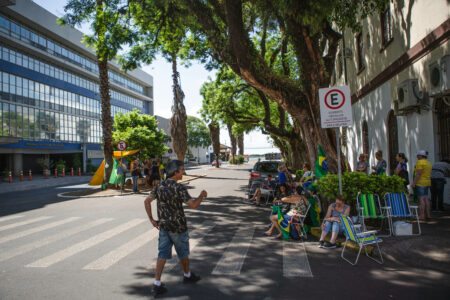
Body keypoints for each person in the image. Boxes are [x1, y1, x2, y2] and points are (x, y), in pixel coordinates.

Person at [144, 160, 208, 296]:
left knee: (162, 254)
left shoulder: (159, 186)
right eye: (181, 170)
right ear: (175, 172)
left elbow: (147, 201)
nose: (183, 173)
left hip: (164, 227)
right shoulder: (179, 188)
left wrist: (151, 220)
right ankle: (187, 275)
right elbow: (193, 205)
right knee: (183, 253)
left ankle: (157, 283)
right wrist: (202, 195)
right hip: (178, 228)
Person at [411, 150, 432, 220]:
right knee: (426, 198)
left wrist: (414, 183)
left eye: (417, 155)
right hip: (427, 182)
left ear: (420, 156)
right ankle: (428, 215)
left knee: (421, 199)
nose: (417, 157)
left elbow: (418, 174)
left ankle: (422, 215)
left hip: (420, 183)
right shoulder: (428, 162)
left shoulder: (420, 162)